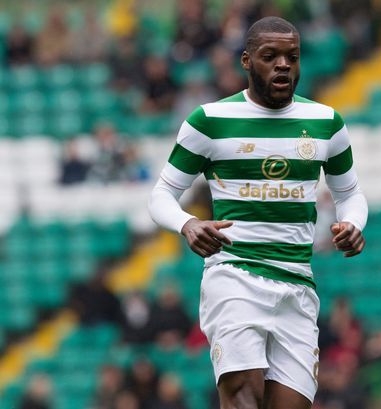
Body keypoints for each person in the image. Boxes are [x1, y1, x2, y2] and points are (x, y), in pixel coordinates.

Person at [148, 16, 368, 409]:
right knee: (243, 396)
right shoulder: (209, 121)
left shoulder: (326, 124)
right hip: (234, 274)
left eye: (292, 56)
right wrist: (188, 224)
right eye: (271, 56)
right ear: (247, 61)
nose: (283, 64)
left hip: (298, 286)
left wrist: (353, 223)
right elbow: (162, 195)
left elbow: (350, 193)